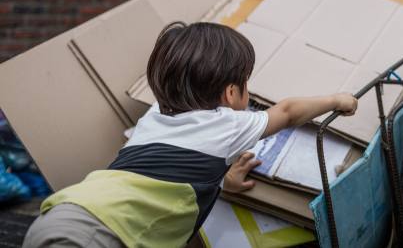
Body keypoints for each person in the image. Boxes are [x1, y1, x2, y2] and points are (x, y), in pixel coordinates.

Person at [22, 22, 358, 248]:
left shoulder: (155, 114)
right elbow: (286, 113)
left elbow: (167, 177)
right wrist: (336, 99)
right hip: (104, 235)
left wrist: (223, 181)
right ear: (230, 95)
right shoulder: (229, 124)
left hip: (66, 213)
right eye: (245, 86)